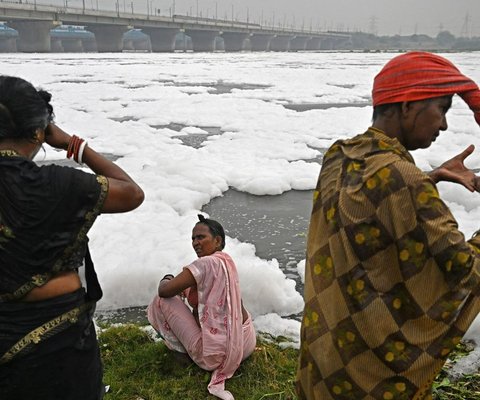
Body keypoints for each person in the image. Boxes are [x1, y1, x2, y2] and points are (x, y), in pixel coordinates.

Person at [296, 51, 480, 400]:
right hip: (369, 376)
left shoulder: (340, 154)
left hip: (326, 357)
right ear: (409, 104)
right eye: (441, 109)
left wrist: (431, 177)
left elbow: (364, 207)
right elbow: (466, 272)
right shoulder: (404, 180)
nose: (443, 125)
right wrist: (420, 185)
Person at [0, 76, 144, 400]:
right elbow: (132, 193)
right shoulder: (56, 184)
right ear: (39, 131)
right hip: (56, 336)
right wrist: (70, 143)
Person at [147, 214, 256, 400]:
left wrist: (166, 278)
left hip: (214, 356)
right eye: (193, 238)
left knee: (160, 300)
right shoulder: (227, 262)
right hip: (245, 343)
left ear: (217, 240)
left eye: (201, 237)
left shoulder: (205, 264)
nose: (195, 242)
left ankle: (181, 353)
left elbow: (165, 292)